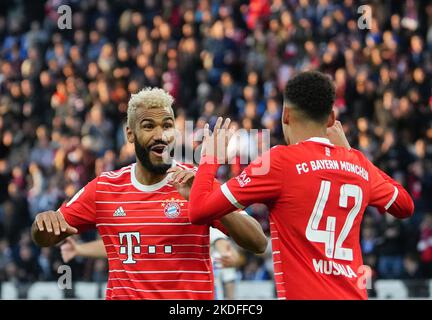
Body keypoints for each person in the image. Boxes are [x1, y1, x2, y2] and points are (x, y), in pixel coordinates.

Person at [188, 71, 415, 299]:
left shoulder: (279, 161)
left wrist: (210, 159)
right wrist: (351, 154)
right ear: (331, 119)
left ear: (285, 115)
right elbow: (405, 206)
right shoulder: (357, 163)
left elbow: (199, 211)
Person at [31, 87, 267, 300]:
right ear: (130, 134)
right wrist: (41, 224)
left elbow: (258, 242)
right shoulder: (104, 189)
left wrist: (207, 202)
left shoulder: (197, 181)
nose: (160, 135)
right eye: (148, 126)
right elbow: (47, 236)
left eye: (166, 125)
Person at [59, 228, 242, 300]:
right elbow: (120, 248)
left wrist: (229, 254)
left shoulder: (201, 225)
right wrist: (79, 250)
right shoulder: (156, 229)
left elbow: (228, 249)